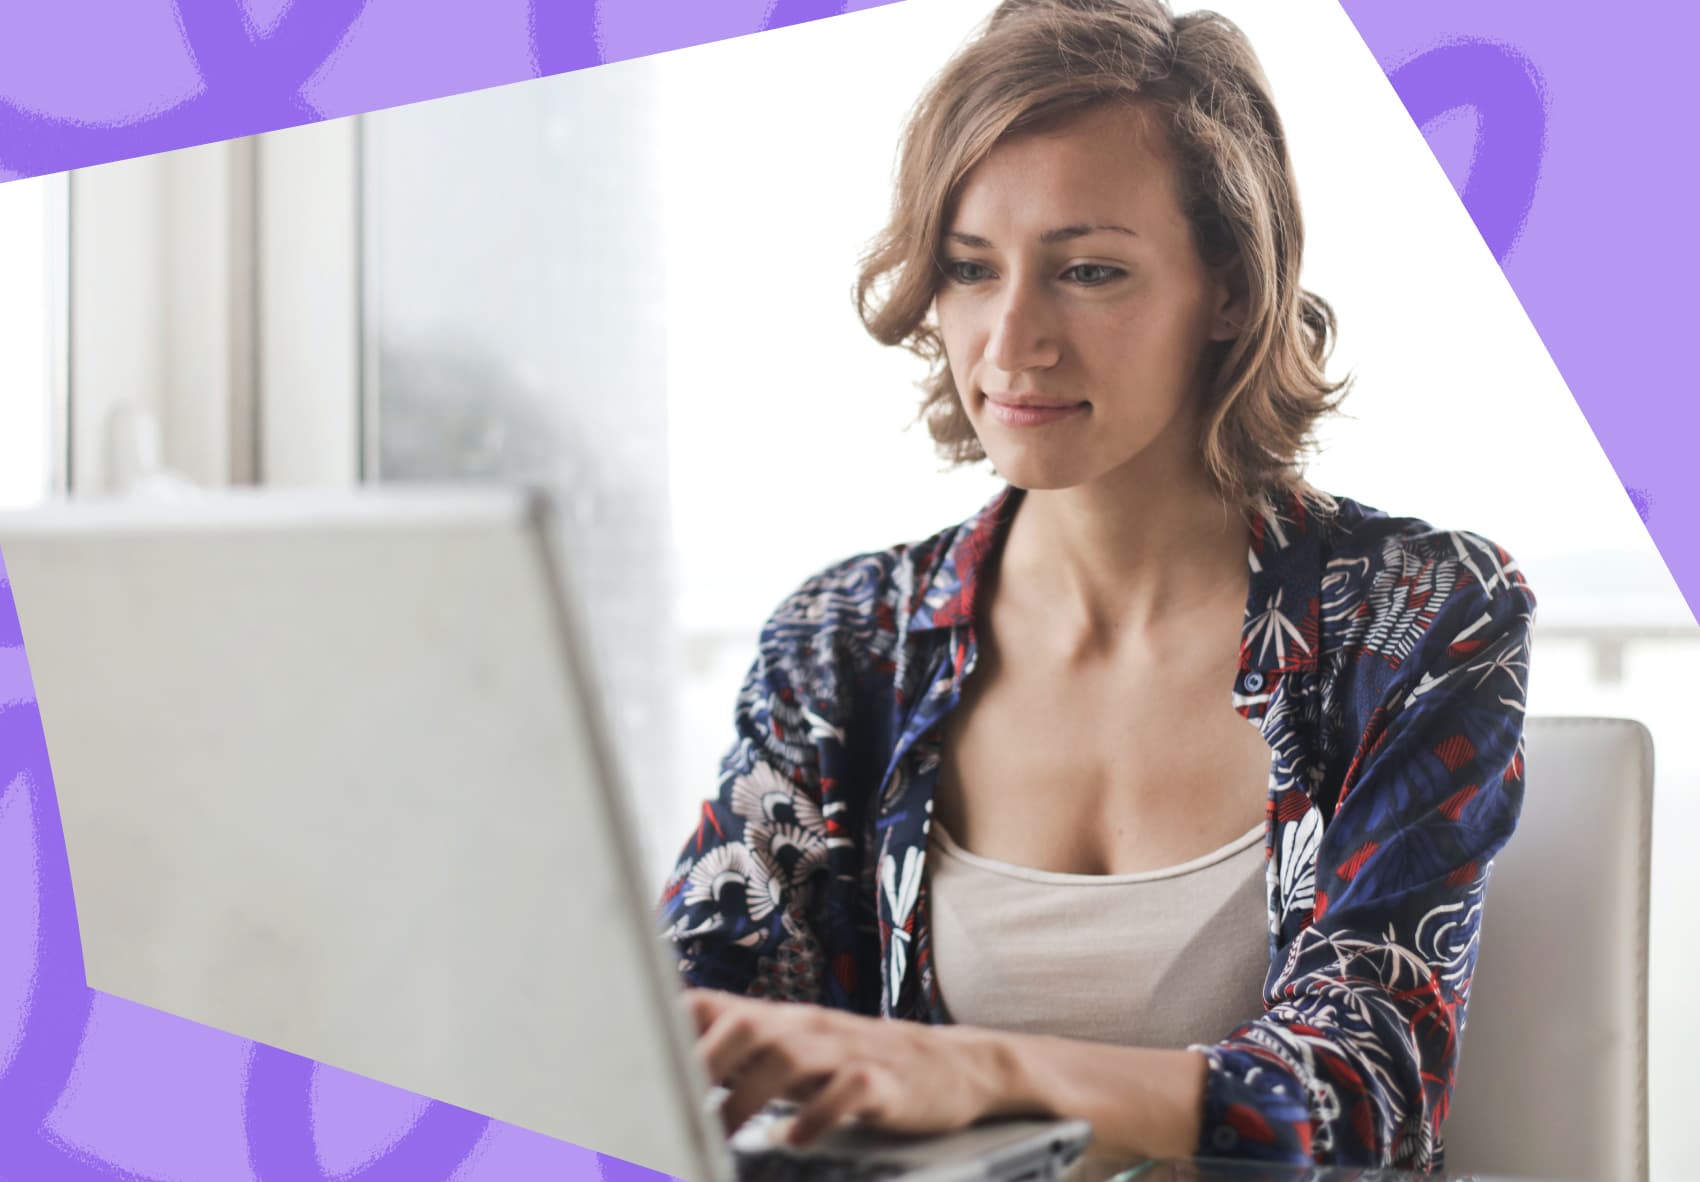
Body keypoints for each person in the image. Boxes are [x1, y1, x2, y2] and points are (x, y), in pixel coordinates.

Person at [658, 0, 1536, 1170]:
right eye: (969, 270)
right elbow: (686, 1028)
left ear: (1227, 290)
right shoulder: (846, 641)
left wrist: (976, 1070)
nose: (1010, 339)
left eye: (1086, 271)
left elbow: (1367, 1094)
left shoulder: (1416, 614)